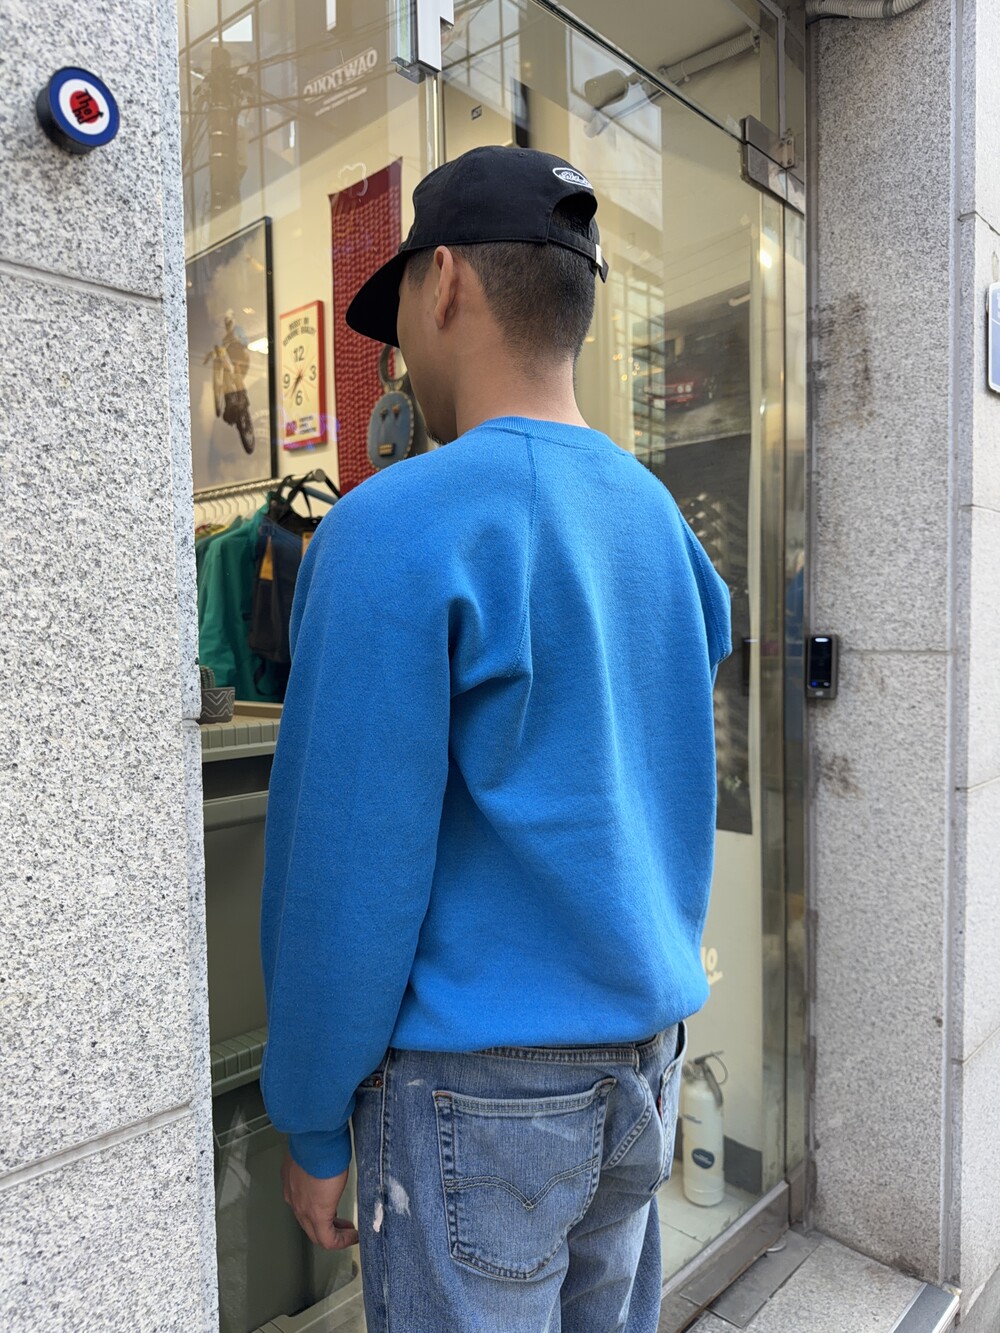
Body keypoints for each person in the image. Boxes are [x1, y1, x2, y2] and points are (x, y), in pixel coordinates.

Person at [259, 145, 731, 1332]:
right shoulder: (659, 521)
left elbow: (345, 871)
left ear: (448, 283)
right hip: (642, 1061)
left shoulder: (392, 528)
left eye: (398, 312)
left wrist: (311, 1118)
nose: (397, 354)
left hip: (477, 1093)